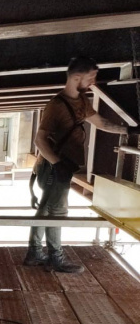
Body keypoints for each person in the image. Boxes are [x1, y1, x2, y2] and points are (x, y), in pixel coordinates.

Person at [25, 56, 139, 273]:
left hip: (61, 166)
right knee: (56, 212)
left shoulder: (81, 101)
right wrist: (57, 164)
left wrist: (129, 131)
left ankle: (35, 253)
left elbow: (101, 123)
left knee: (47, 210)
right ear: (76, 77)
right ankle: (54, 258)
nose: (92, 82)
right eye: (90, 77)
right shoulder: (56, 105)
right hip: (54, 167)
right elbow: (39, 140)